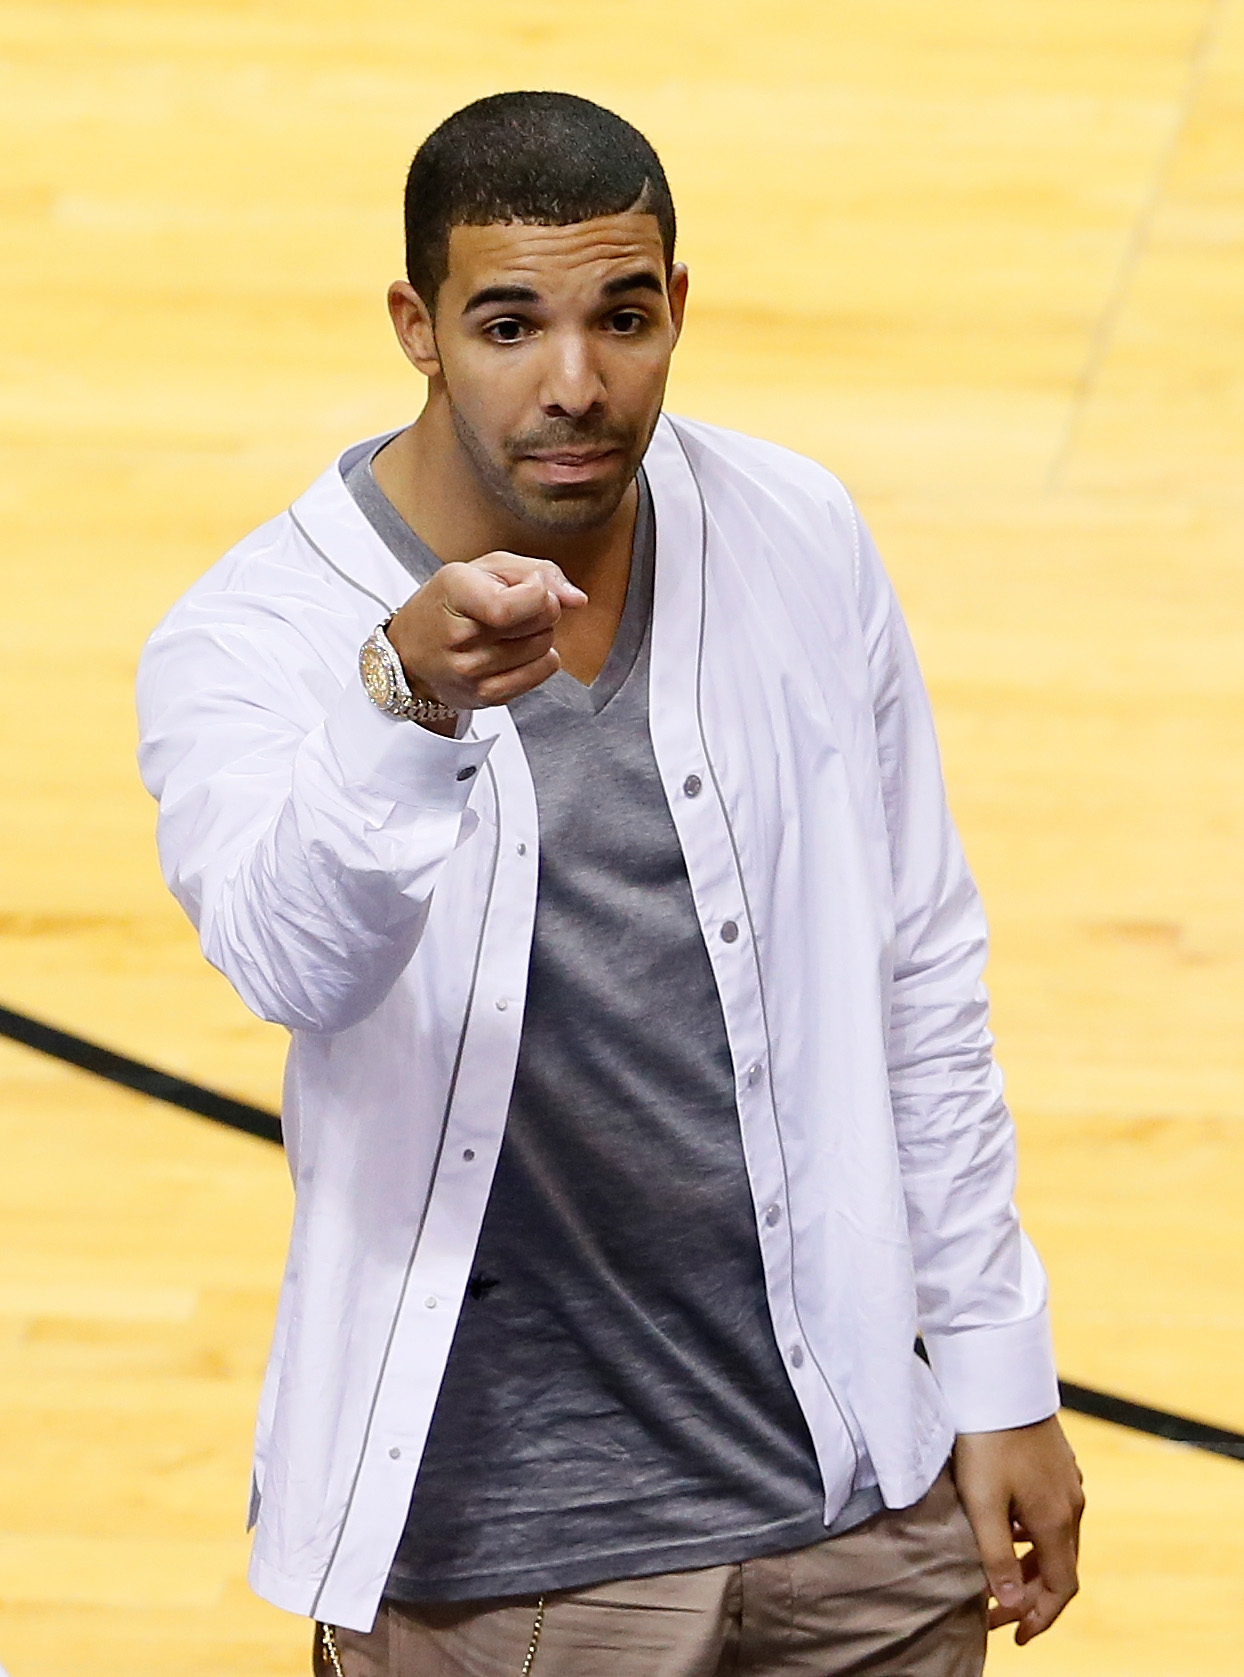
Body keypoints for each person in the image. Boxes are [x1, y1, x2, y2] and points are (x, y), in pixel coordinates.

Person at [137, 91, 1083, 1677]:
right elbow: (292, 964)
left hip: (857, 1512)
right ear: (416, 327)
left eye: (622, 317)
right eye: (509, 323)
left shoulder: (800, 528)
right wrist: (405, 709)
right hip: (506, 1575)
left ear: (678, 306)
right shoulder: (251, 637)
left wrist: (998, 1368)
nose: (576, 384)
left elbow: (919, 966)